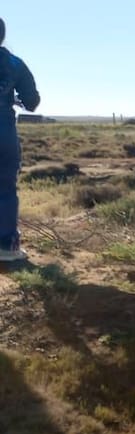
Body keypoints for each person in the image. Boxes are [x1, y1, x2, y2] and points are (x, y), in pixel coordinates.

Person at [0, 17, 40, 263]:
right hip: (3, 132)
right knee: (5, 189)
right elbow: (32, 103)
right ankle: (6, 246)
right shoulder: (15, 63)